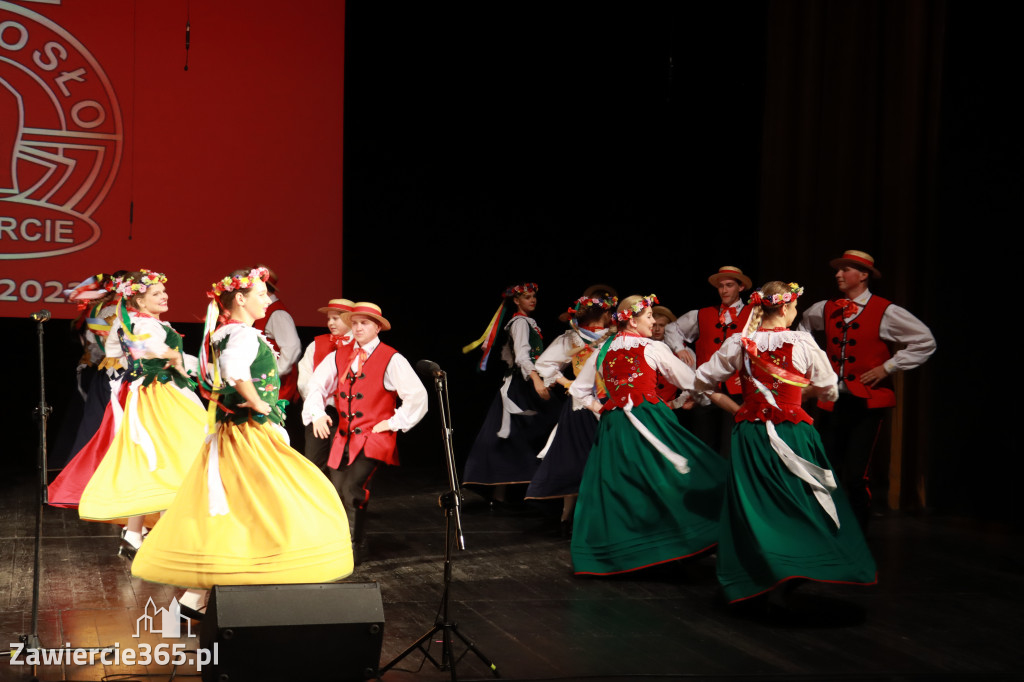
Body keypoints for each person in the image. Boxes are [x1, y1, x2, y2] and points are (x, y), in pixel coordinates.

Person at [131, 267, 353, 617]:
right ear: (240, 298)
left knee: (240, 507)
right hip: (249, 434)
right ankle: (251, 583)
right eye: (261, 293)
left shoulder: (223, 333)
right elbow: (234, 372)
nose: (267, 299)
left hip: (234, 434)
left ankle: (196, 594)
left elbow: (206, 370)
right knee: (288, 499)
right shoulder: (242, 336)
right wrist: (259, 401)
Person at [694, 281, 877, 604]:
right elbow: (828, 388)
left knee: (755, 502)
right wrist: (791, 398)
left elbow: (702, 381)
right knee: (798, 498)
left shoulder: (740, 342)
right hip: (792, 430)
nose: (795, 313)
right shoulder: (802, 342)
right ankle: (795, 565)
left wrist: (741, 408)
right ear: (783, 308)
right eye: (794, 307)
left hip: (751, 432)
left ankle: (758, 573)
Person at [569, 294, 729, 575]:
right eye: (649, 317)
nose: (655, 322)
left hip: (614, 426)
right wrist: (718, 381)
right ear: (632, 320)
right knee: (675, 475)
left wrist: (604, 408)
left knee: (623, 487)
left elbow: (578, 390)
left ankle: (630, 553)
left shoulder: (602, 350)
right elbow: (689, 380)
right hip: (647, 419)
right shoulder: (650, 347)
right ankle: (681, 541)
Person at [797, 250, 936, 527]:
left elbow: (925, 340)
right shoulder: (825, 308)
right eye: (838, 270)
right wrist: (815, 365)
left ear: (863, 275)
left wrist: (888, 367)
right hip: (833, 400)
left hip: (867, 404)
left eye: (845, 269)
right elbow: (802, 330)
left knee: (856, 474)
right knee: (826, 467)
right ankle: (826, 527)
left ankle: (859, 531)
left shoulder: (886, 311)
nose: (838, 274)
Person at [77, 270, 207, 558]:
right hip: (161, 394)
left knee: (154, 459)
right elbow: (163, 354)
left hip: (144, 393)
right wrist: (186, 363)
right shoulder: (145, 324)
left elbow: (112, 348)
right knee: (177, 456)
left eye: (164, 292)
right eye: (157, 294)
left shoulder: (130, 323)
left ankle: (135, 533)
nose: (165, 296)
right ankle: (165, 535)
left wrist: (140, 359)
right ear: (139, 299)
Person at [302, 301, 428, 562]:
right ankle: (343, 544)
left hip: (374, 438)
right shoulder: (338, 355)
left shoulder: (391, 358)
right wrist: (317, 414)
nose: (358, 328)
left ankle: (353, 548)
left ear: (378, 327)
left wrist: (393, 422)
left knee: (352, 488)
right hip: (345, 436)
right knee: (335, 490)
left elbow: (417, 396)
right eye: (355, 322)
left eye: (365, 323)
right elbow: (316, 386)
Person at [525, 291, 617, 536]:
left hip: (603, 403)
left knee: (585, 460)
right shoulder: (577, 338)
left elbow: (544, 364)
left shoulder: (613, 337)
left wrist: (568, 383)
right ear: (607, 313)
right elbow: (545, 365)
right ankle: (571, 516)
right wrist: (568, 384)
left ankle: (579, 516)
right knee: (583, 459)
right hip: (587, 404)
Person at [462, 282, 560, 505]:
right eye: (527, 297)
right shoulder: (520, 322)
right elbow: (522, 357)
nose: (532, 300)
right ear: (516, 300)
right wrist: (536, 380)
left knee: (518, 435)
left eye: (534, 296)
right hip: (522, 385)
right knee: (515, 434)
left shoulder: (528, 322)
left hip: (525, 382)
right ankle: (507, 493)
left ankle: (511, 493)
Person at [663, 266, 752, 456]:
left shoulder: (753, 315)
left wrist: (750, 374)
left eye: (729, 285)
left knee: (732, 446)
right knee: (704, 445)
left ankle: (730, 484)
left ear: (741, 287)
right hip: (707, 389)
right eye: (721, 286)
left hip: (737, 392)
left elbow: (763, 348)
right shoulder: (702, 314)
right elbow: (672, 329)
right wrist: (679, 349)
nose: (724, 290)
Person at [296, 298, 354, 471]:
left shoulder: (361, 346)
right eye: (328, 319)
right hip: (321, 410)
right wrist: (316, 410)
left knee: (343, 464)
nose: (330, 323)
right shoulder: (316, 345)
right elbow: (304, 380)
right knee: (314, 462)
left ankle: (340, 497)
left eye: (335, 318)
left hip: (348, 413)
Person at [253, 265, 303, 444]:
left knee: (276, 432)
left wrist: (274, 373)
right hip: (263, 383)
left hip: (278, 386)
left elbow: (292, 348)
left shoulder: (277, 314)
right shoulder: (261, 312)